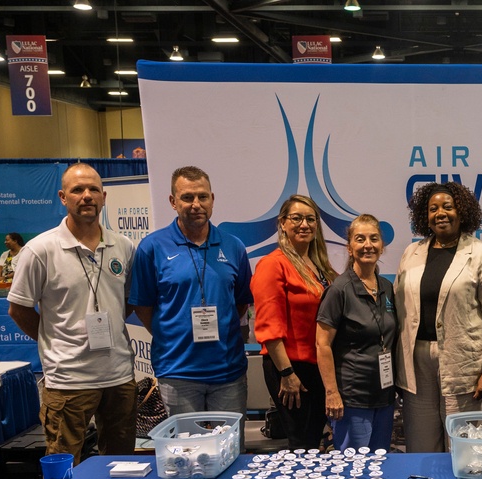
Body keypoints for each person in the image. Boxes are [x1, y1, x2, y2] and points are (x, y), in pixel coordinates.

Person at [7, 164, 136, 463]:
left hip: (119, 377)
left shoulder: (124, 246)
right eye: (78, 190)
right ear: (63, 197)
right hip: (68, 380)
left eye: (93, 190)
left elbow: (126, 302)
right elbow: (19, 309)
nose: (86, 196)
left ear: (104, 197)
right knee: (64, 471)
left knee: (122, 467)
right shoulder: (40, 250)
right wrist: (55, 339)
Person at [396, 182, 482, 452]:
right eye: (433, 209)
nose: (440, 213)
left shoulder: (481, 254)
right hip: (417, 365)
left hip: (466, 367)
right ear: (424, 217)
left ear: (461, 212)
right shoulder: (411, 254)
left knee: (469, 450)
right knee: (421, 448)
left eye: (448, 207)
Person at [129, 166, 253, 415]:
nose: (196, 204)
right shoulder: (152, 247)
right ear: (173, 202)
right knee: (185, 452)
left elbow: (240, 302)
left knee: (230, 450)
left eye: (202, 196)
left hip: (227, 372)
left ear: (212, 199)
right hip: (178, 371)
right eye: (187, 197)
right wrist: (169, 334)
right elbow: (142, 305)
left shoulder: (233, 246)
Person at [251, 195, 338, 449]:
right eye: (297, 218)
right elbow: (269, 327)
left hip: (317, 366)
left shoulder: (319, 265)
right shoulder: (273, 265)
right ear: (282, 223)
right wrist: (287, 374)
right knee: (302, 442)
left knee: (314, 440)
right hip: (291, 368)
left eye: (311, 219)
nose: (304, 224)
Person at [316, 214, 396, 451]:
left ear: (382, 247)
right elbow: (322, 345)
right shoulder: (339, 290)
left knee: (380, 466)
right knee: (354, 472)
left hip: (384, 397)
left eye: (374, 239)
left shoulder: (387, 287)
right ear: (350, 248)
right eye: (360, 239)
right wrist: (331, 393)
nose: (368, 245)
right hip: (353, 399)